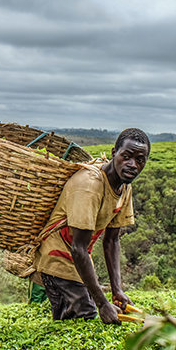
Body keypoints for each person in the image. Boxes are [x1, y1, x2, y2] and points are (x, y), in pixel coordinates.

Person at [32, 128, 150, 324]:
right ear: (114, 153)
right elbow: (78, 248)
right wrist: (102, 303)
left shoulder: (124, 186)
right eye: (126, 156)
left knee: (87, 314)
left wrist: (117, 289)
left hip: (78, 262)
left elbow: (111, 241)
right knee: (83, 317)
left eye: (140, 160)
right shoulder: (89, 186)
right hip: (57, 258)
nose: (132, 165)